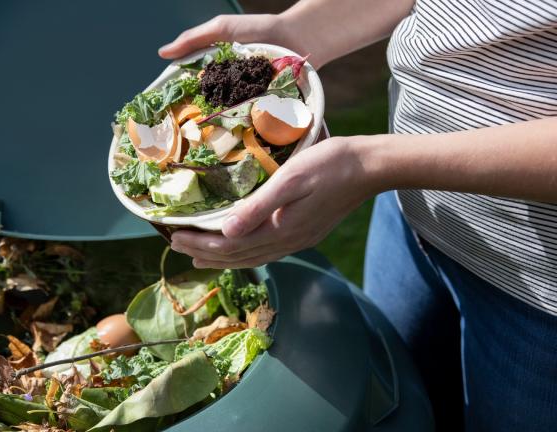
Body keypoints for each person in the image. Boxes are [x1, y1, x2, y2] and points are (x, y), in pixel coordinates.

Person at [158, 1, 557, 431]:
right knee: (396, 406)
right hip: (412, 216)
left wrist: (374, 165)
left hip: (538, 295)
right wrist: (296, 31)